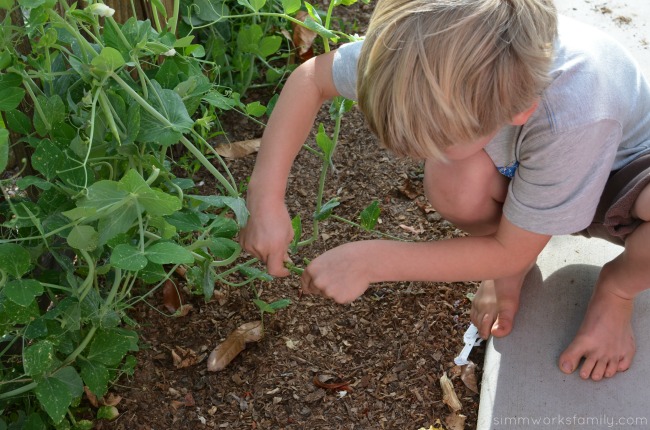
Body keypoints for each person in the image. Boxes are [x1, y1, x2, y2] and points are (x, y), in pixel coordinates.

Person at [239, 0, 650, 381]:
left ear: (517, 112)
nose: (413, 153)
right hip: (536, 171)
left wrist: (372, 261)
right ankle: (506, 267)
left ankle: (617, 289)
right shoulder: (419, 59)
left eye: (433, 141)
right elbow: (312, 78)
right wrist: (265, 199)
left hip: (623, 180)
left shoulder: (576, 110)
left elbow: (514, 247)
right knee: (454, 181)